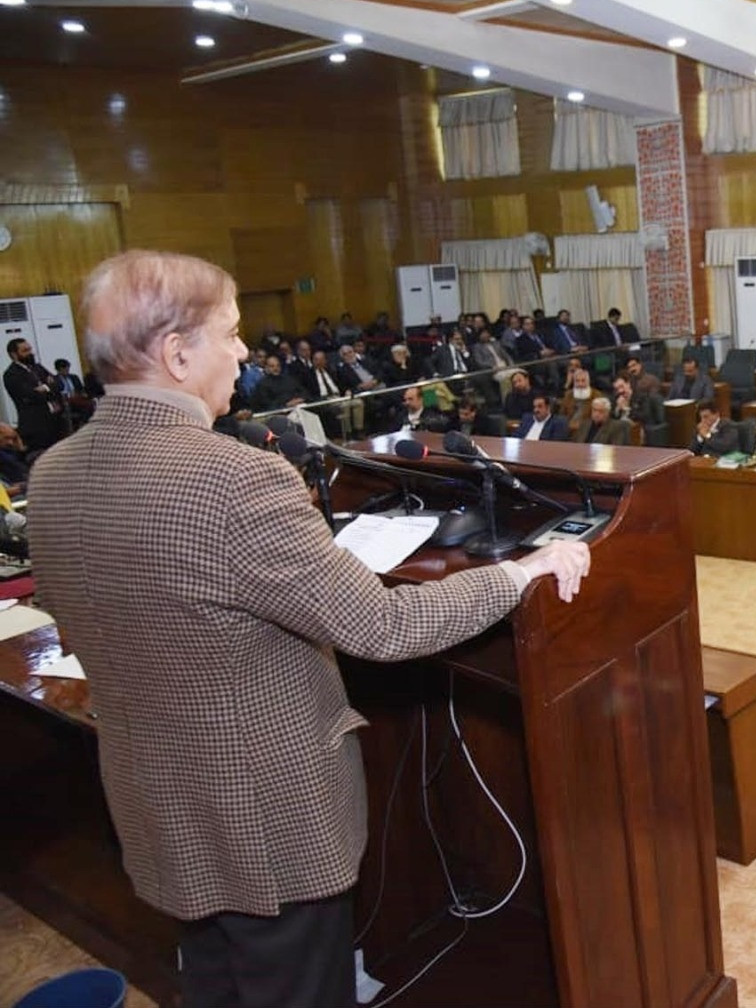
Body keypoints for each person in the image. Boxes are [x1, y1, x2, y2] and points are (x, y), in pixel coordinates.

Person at [27, 250, 591, 1008]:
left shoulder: (54, 472)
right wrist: (520, 572)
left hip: (157, 801)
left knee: (218, 983)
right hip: (266, 823)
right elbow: (383, 626)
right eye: (229, 334)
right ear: (177, 353)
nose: (241, 352)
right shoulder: (234, 478)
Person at [5, 338, 66, 453]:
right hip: (36, 426)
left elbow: (59, 384)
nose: (30, 353)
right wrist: (49, 386)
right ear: (14, 355)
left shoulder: (37, 368)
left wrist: (45, 388)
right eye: (25, 350)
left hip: (55, 420)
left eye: (30, 349)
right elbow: (31, 395)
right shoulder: (11, 374)